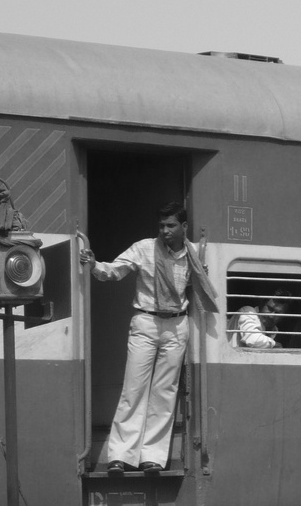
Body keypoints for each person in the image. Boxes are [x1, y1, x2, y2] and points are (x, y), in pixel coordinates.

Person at [79, 202, 218, 475]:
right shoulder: (143, 248)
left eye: (171, 225)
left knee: (165, 393)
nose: (165, 231)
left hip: (177, 324)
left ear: (184, 227)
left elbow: (200, 286)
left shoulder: (193, 254)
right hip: (146, 321)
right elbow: (115, 271)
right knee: (133, 390)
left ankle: (152, 457)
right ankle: (120, 457)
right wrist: (95, 265)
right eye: (161, 226)